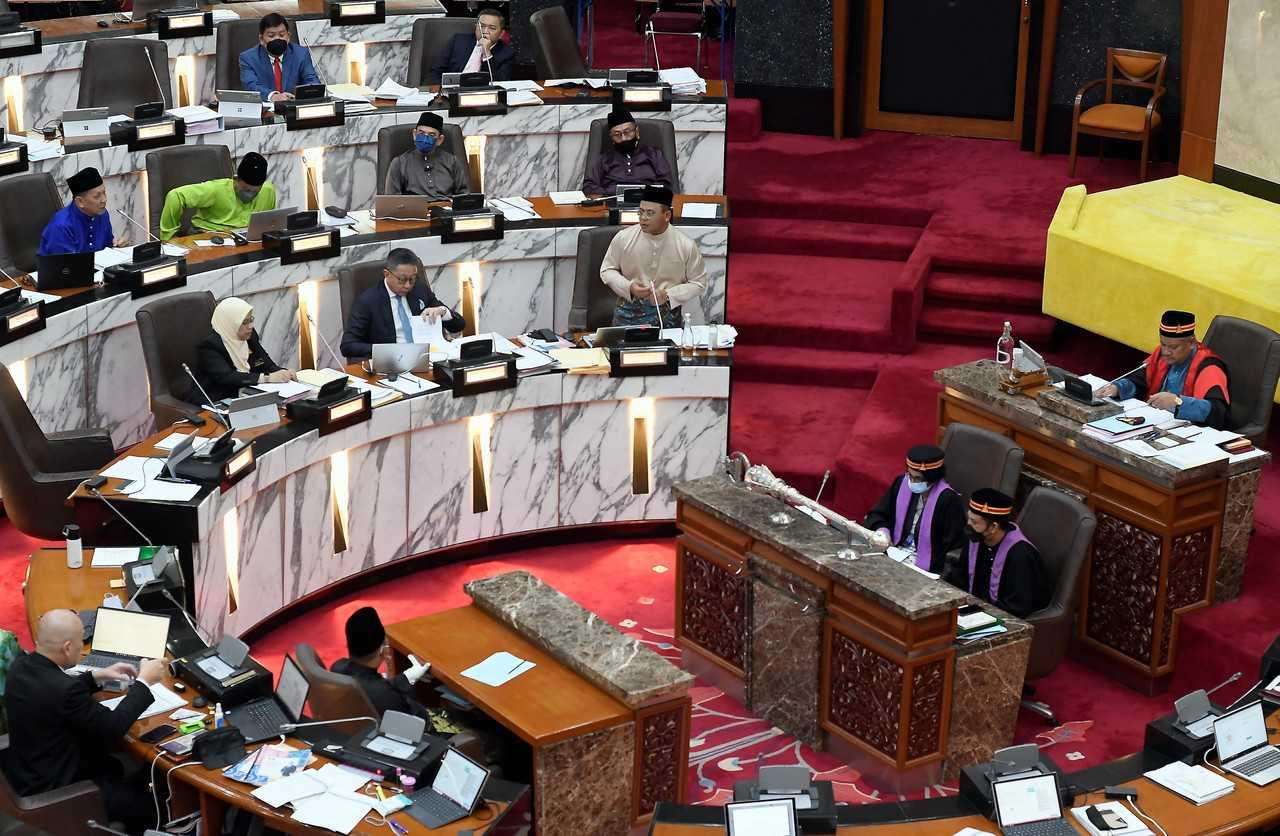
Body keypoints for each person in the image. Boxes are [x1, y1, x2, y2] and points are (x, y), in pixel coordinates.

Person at [4, 609, 166, 833]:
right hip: (64, 791)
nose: (82, 646)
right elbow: (112, 728)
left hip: (29, 771)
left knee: (125, 768)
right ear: (68, 647)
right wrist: (145, 682)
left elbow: (52, 692)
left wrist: (96, 676)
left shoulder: (20, 667)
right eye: (81, 640)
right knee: (151, 802)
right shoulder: (64, 690)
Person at [1095, 310, 1231, 429]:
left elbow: (1216, 412)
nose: (1166, 352)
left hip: (1187, 432)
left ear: (1191, 342)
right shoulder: (1161, 355)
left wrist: (1177, 402)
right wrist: (1117, 388)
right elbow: (1139, 382)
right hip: (1154, 423)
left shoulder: (1209, 366)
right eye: (1163, 344)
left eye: (1173, 347)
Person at [599, 184, 707, 327]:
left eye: (650, 213)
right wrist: (629, 287)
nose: (643, 218)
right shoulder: (624, 238)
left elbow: (699, 283)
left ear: (667, 215)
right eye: (641, 212)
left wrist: (669, 294)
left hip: (667, 316)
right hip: (628, 313)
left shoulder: (685, 245)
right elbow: (607, 270)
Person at [341, 248, 465, 360]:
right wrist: (386, 351)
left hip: (428, 358)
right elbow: (348, 346)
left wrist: (442, 312)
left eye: (412, 279)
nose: (408, 285)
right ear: (387, 274)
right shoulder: (368, 301)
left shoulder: (419, 289)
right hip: (393, 362)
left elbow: (459, 325)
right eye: (402, 279)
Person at [945, 489, 1050, 618]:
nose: (968, 525)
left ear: (993, 527)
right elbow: (960, 577)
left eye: (974, 522)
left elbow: (1016, 607)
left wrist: (972, 612)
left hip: (1002, 619)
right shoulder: (977, 538)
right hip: (974, 611)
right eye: (969, 519)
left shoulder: (1020, 555)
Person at [863, 445, 966, 575]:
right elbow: (878, 514)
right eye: (910, 475)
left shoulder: (948, 500)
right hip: (893, 551)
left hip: (924, 568)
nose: (912, 482)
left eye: (918, 479)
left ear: (933, 478)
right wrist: (883, 532)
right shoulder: (901, 483)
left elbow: (954, 546)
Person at [331, 607, 439, 722]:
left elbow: (372, 686)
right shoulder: (385, 695)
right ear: (382, 650)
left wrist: (407, 677)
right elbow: (412, 723)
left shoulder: (337, 668)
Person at [192, 297, 295, 401]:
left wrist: (285, 373)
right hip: (217, 401)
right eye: (244, 322)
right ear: (230, 323)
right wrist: (266, 378)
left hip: (247, 395)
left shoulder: (249, 336)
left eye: (251, 320)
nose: (250, 326)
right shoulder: (210, 346)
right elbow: (227, 377)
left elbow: (267, 364)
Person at [158, 152, 277, 241]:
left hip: (244, 238)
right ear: (235, 179)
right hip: (207, 235)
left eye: (255, 192)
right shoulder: (215, 190)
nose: (250, 194)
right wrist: (170, 237)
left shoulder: (268, 191)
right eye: (245, 189)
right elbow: (175, 196)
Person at [582, 107, 674, 197]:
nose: (623, 138)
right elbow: (589, 186)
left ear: (637, 132)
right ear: (612, 138)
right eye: (617, 135)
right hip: (612, 204)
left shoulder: (654, 154)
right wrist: (610, 194)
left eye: (627, 132)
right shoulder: (604, 158)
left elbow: (666, 183)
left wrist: (645, 194)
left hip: (648, 204)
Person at [383, 111, 471, 199]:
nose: (425, 138)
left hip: (446, 209)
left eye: (431, 135)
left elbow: (464, 196)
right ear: (414, 134)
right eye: (421, 133)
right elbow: (392, 202)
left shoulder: (452, 162)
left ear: (440, 140)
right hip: (415, 211)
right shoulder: (399, 163)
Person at [239, 13, 321, 103]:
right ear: (261, 39)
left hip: (293, 106)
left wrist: (301, 96)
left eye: (282, 35)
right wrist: (273, 96)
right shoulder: (248, 58)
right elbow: (251, 84)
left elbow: (311, 80)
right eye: (271, 36)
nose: (277, 39)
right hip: (265, 108)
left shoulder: (301, 53)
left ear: (288, 36)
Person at [38, 167, 113, 255]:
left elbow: (108, 248)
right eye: (97, 196)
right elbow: (65, 265)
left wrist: (117, 247)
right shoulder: (61, 226)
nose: (104, 200)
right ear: (80, 201)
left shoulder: (102, 214)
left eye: (104, 193)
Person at [430, 6, 513, 84]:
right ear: (476, 27)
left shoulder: (507, 53)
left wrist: (487, 53)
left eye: (492, 28)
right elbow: (436, 70)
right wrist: (439, 88)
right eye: (482, 26)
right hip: (453, 89)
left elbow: (501, 82)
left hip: (484, 94)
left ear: (501, 34)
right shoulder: (458, 40)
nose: (485, 31)